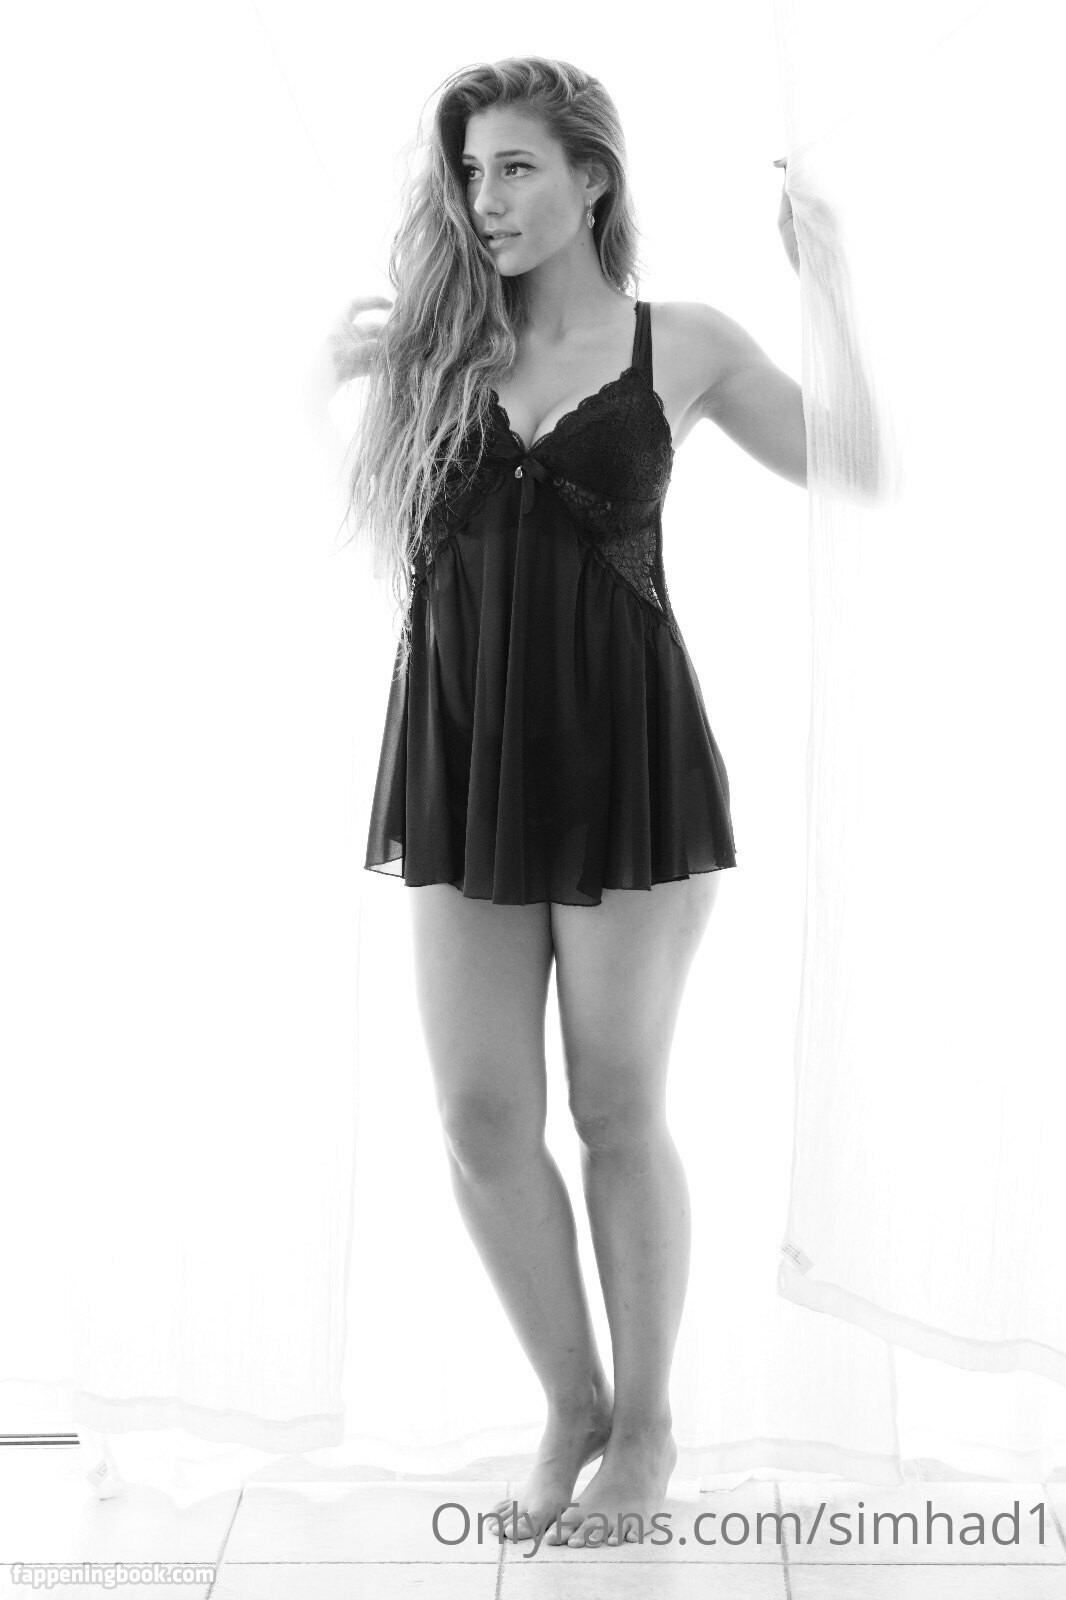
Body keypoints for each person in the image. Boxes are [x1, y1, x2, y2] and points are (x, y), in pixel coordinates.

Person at [312, 54, 849, 1552]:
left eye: (516, 167)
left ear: (591, 176)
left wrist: (831, 293)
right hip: (462, 758)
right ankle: (574, 1403)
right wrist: (321, 370)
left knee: (615, 1104)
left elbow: (855, 467)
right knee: (481, 1116)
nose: (484, 199)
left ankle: (649, 1426)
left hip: (630, 760)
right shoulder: (433, 353)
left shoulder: (684, 340)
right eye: (469, 172)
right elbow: (337, 516)